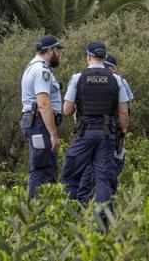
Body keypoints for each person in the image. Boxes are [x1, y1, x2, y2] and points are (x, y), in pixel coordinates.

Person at [61, 42, 129, 207]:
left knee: (71, 175)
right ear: (105, 58)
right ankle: (103, 223)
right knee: (103, 178)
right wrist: (122, 133)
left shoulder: (78, 77)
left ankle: (71, 216)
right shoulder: (116, 79)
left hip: (85, 134)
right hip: (107, 135)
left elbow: (67, 110)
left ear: (88, 56)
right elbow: (124, 112)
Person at [76, 54, 133, 202]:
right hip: (110, 134)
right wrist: (123, 133)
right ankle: (104, 210)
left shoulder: (84, 78)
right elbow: (126, 110)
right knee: (107, 173)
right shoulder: (119, 81)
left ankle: (84, 207)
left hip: (90, 132)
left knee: (89, 172)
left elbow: (75, 109)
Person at [19, 35, 64, 199]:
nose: (58, 54)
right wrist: (53, 134)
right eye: (57, 50)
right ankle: (35, 213)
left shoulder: (34, 67)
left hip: (37, 122)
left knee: (48, 166)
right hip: (39, 123)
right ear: (50, 51)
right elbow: (43, 103)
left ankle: (45, 211)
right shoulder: (41, 71)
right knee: (42, 167)